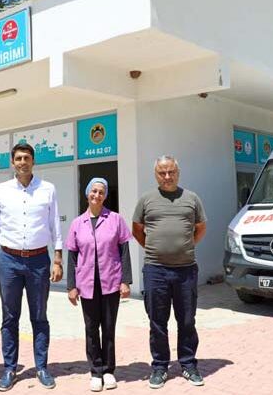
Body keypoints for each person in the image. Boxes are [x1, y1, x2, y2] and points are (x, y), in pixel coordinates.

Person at [0, 143, 63, 391]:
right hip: (8, 261)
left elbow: (55, 226)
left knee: (39, 316)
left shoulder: (47, 189)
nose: (22, 162)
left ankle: (41, 367)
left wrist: (58, 259)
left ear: (33, 161)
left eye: (26, 158)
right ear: (12, 162)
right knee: (9, 317)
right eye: (18, 158)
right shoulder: (1, 189)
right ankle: (10, 368)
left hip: (39, 261)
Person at [132, 155, 207, 389]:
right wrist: (157, 250)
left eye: (171, 171)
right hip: (155, 270)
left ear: (178, 172)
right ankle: (159, 367)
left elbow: (201, 228)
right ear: (155, 175)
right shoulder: (146, 200)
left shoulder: (192, 198)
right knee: (157, 321)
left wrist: (184, 247)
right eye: (162, 173)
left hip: (185, 270)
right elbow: (137, 230)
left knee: (186, 320)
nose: (167, 176)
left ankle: (188, 364)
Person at [65, 178, 132, 392]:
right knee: (91, 329)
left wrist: (125, 281)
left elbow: (124, 252)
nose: (97, 195)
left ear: (105, 195)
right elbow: (72, 257)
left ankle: (109, 370)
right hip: (86, 284)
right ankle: (95, 371)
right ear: (87, 194)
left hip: (111, 282)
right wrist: (71, 286)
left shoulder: (116, 219)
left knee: (109, 328)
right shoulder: (77, 223)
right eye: (93, 191)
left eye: (101, 192)